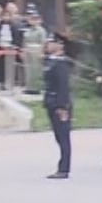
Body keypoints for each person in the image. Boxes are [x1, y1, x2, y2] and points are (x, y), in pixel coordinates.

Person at [41, 32, 74, 179]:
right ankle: (62, 166)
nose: (48, 45)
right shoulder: (51, 61)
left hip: (59, 103)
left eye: (51, 43)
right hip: (51, 101)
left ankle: (64, 168)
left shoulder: (61, 63)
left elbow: (63, 87)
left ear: (59, 46)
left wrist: (63, 107)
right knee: (58, 137)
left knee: (63, 137)